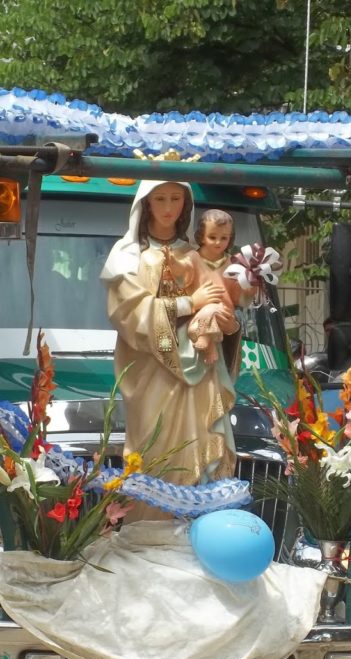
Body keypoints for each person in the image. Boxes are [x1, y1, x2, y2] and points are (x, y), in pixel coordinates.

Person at [101, 181, 239, 521]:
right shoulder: (129, 256)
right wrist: (189, 302)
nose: (168, 207)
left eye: (176, 199)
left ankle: (199, 527)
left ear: (186, 204)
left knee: (200, 442)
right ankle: (149, 529)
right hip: (151, 373)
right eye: (160, 199)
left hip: (199, 372)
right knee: (154, 448)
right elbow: (130, 314)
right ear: (146, 203)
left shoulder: (196, 253)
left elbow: (224, 302)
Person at [182, 209, 251, 365]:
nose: (218, 242)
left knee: (213, 310)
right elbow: (180, 281)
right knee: (207, 311)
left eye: (224, 238)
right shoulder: (192, 258)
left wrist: (250, 288)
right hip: (196, 315)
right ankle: (208, 342)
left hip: (224, 314)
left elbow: (237, 297)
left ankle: (207, 340)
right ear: (201, 236)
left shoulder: (233, 264)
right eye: (212, 237)